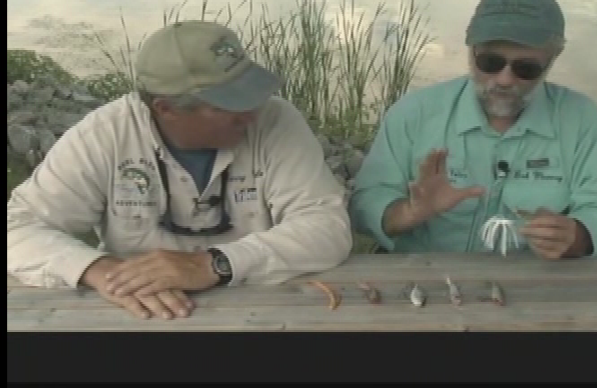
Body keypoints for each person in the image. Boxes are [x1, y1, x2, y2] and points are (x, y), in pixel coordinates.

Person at [7, 20, 353, 320]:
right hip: (141, 314)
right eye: (229, 104)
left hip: (263, 311)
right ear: (166, 109)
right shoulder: (104, 135)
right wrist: (98, 270)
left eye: (251, 92)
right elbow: (18, 227)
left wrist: (215, 264)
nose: (251, 112)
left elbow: (326, 227)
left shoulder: (277, 120)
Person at [349, 0, 597, 259]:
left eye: (526, 68)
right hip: (424, 277)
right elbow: (365, 204)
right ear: (471, 52)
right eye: (490, 62)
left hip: (533, 282)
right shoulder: (414, 112)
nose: (505, 79)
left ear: (552, 60)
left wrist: (575, 236)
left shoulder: (581, 120)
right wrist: (409, 212)